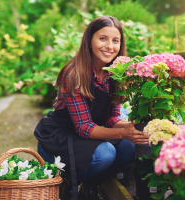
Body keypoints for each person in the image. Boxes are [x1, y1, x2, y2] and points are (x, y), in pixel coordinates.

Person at [34, 16, 149, 200]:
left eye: (115, 40)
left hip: (88, 138)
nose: (109, 46)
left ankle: (90, 184)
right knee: (106, 153)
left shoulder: (115, 73)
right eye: (102, 38)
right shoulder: (75, 74)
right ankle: (64, 184)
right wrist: (122, 133)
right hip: (60, 139)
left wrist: (132, 127)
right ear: (89, 41)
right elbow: (84, 127)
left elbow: (112, 119)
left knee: (129, 146)